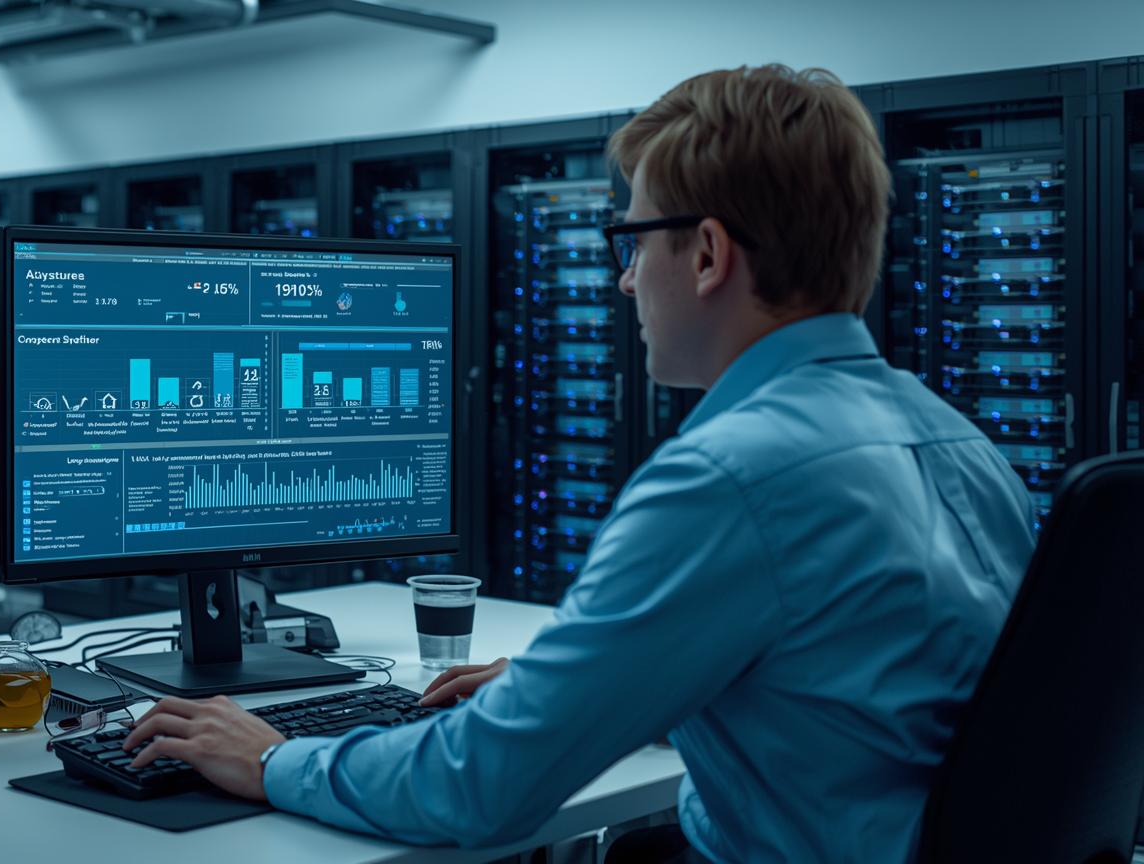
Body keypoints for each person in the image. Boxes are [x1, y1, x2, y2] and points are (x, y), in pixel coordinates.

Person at [120, 64, 1036, 864]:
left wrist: (272, 757)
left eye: (633, 243)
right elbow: (865, 708)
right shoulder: (963, 445)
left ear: (709, 253)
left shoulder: (727, 478)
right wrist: (573, 684)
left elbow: (481, 787)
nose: (626, 280)